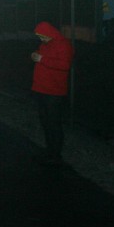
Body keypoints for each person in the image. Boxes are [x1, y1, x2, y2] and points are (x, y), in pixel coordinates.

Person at [30, 21, 74, 166]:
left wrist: (42, 59)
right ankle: (49, 150)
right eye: (39, 36)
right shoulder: (45, 45)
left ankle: (56, 155)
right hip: (41, 89)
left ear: (49, 33)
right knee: (45, 122)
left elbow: (64, 65)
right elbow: (42, 60)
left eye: (42, 36)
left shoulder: (63, 44)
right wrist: (36, 56)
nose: (41, 39)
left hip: (54, 92)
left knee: (53, 123)